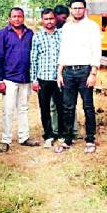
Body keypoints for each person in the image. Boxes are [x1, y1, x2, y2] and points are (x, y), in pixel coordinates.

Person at [56, 0, 102, 154]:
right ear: (70, 10)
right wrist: (59, 72)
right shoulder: (67, 28)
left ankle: (90, 139)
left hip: (85, 72)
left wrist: (93, 73)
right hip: (68, 72)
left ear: (85, 9)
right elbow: (64, 50)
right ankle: (68, 139)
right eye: (74, 8)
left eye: (80, 8)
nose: (77, 11)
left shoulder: (92, 27)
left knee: (88, 107)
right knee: (68, 107)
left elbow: (97, 50)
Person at [0, 7, 39, 152]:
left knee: (23, 108)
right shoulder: (2, 34)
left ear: (23, 17)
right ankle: (5, 140)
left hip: (25, 78)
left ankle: (24, 137)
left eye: (19, 16)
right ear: (9, 18)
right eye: (14, 16)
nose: (17, 19)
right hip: (9, 78)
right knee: (8, 110)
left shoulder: (30, 33)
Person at [30, 8, 64, 148]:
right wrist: (34, 79)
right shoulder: (37, 36)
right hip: (43, 78)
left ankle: (62, 134)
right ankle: (48, 135)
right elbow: (34, 58)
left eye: (51, 18)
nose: (49, 21)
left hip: (59, 78)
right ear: (42, 20)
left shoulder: (61, 35)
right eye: (46, 19)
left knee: (61, 107)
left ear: (55, 19)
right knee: (45, 109)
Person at [52, 5, 79, 139]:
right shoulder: (49, 32)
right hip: (52, 74)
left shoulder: (69, 31)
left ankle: (72, 131)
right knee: (54, 105)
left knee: (70, 103)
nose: (65, 20)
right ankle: (56, 131)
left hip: (68, 71)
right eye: (63, 18)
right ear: (56, 16)